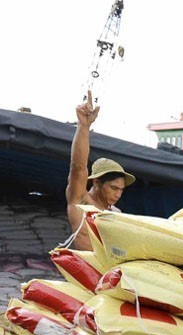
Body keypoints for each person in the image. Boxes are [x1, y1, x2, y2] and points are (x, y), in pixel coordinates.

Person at [65, 90, 136, 250]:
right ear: (97, 182)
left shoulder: (117, 213)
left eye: (121, 190)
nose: (118, 194)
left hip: (111, 272)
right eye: (113, 188)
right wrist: (84, 125)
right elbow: (78, 167)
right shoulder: (80, 202)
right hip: (88, 271)